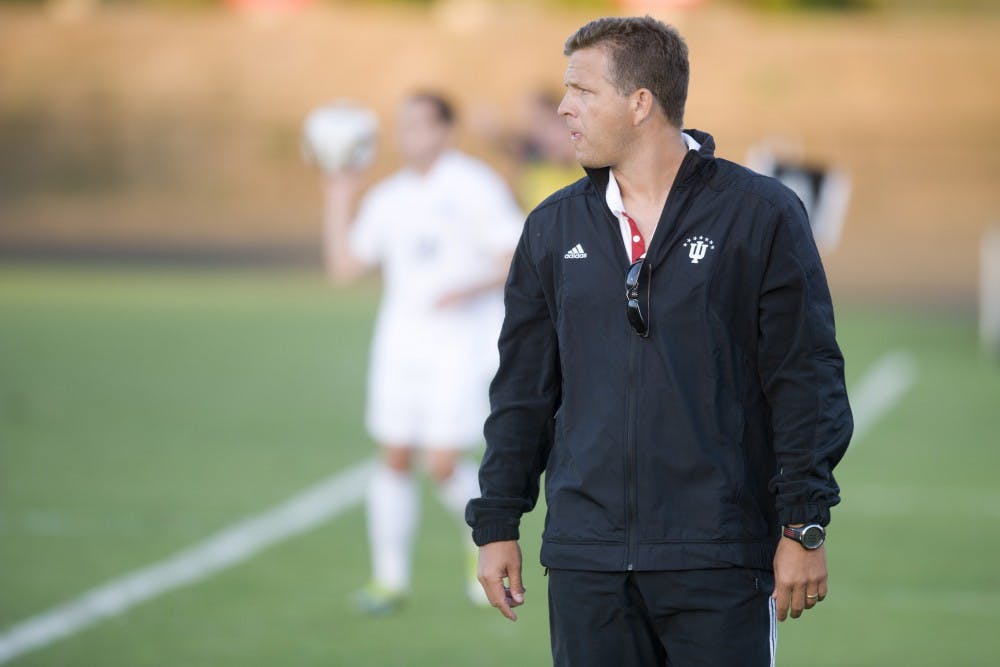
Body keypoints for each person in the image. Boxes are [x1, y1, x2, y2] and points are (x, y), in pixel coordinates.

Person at [466, 16, 853, 666]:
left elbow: (804, 379)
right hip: (587, 559)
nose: (564, 108)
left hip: (719, 556)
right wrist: (498, 522)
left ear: (640, 101)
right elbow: (522, 391)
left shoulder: (760, 214)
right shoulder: (552, 227)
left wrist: (804, 523)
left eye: (582, 91)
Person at [322, 91, 524, 614]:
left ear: (445, 130)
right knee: (391, 456)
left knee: (440, 462)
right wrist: (339, 192)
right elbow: (344, 268)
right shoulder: (388, 196)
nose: (409, 135)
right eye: (402, 125)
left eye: (420, 124)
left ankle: (481, 544)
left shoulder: (474, 185)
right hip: (399, 345)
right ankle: (388, 581)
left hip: (459, 346)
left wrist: (468, 288)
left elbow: (516, 258)